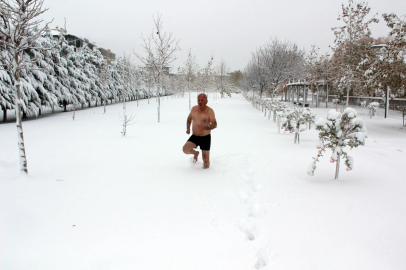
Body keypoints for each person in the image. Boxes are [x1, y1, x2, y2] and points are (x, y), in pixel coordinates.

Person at [182, 93, 217, 168]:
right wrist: (188, 128)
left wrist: (204, 127)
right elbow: (189, 118)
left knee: (206, 160)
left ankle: (206, 175)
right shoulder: (194, 109)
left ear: (206, 101)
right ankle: (195, 153)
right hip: (195, 136)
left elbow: (214, 124)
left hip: (205, 137)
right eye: (199, 100)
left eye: (202, 100)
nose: (200, 102)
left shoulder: (210, 111)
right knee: (185, 149)